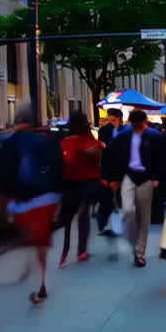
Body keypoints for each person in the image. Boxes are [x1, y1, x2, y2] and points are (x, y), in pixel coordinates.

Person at [0, 105, 63, 304]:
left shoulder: (8, 144)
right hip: (46, 197)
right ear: (33, 124)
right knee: (41, 241)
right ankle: (39, 282)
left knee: (29, 236)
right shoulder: (48, 142)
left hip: (22, 200)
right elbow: (58, 169)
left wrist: (6, 196)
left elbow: (3, 176)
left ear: (17, 123)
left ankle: (32, 274)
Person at [103, 109, 166, 267]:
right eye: (135, 125)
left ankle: (139, 252)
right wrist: (112, 178)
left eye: (139, 125)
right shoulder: (124, 137)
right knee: (129, 212)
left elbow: (162, 158)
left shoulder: (155, 137)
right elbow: (112, 157)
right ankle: (135, 245)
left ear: (144, 123)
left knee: (144, 217)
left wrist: (157, 177)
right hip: (129, 176)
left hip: (145, 178)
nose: (137, 127)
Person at [58, 111, 103, 267]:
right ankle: (81, 250)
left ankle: (67, 250)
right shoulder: (91, 141)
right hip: (87, 183)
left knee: (70, 217)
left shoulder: (65, 142)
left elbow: (63, 162)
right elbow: (97, 159)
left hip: (72, 183)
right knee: (82, 216)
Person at [96, 108, 126, 235]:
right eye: (110, 120)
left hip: (118, 167)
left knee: (115, 197)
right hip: (110, 167)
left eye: (113, 120)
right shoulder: (107, 130)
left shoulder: (124, 131)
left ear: (120, 119)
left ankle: (110, 223)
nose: (111, 122)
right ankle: (108, 224)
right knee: (109, 197)